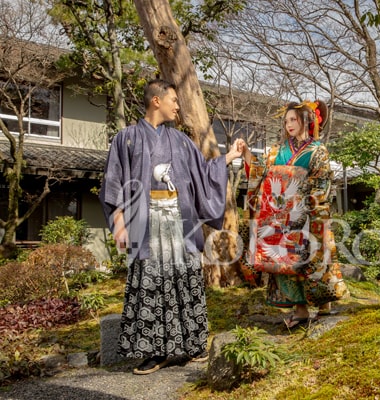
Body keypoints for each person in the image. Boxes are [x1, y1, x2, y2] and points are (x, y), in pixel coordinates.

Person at [99, 78, 243, 375]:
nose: (177, 106)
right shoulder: (126, 138)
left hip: (180, 221)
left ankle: (193, 345)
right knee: (151, 284)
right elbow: (113, 184)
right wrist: (119, 223)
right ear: (156, 101)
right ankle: (155, 351)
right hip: (145, 222)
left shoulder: (179, 140)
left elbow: (204, 173)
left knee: (185, 279)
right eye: (174, 100)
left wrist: (228, 158)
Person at [239, 100, 347, 329]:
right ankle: (300, 310)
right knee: (285, 262)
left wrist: (305, 206)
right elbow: (261, 173)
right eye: (286, 120)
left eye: (293, 120)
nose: (289, 124)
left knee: (314, 258)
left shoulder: (318, 151)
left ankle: (324, 305)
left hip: (308, 212)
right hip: (280, 215)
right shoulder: (277, 151)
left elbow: (322, 182)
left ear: (306, 122)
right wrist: (247, 153)